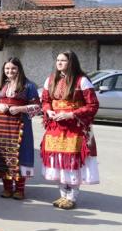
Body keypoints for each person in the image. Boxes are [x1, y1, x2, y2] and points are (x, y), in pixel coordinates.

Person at [41, 51, 100, 210]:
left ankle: (72, 197)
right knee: (58, 162)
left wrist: (71, 113)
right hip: (55, 128)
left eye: (63, 60)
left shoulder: (82, 81)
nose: (59, 63)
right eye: (58, 60)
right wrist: (48, 111)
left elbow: (93, 105)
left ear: (71, 62)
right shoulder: (50, 80)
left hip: (75, 128)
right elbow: (45, 101)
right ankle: (62, 195)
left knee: (72, 162)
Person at [0, 58, 40, 200]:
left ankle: (20, 189)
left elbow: (37, 106)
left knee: (20, 155)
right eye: (7, 69)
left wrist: (20, 108)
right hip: (1, 127)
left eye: (13, 68)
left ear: (19, 69)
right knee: (4, 156)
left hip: (20, 127)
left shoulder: (28, 86)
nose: (10, 71)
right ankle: (7, 188)